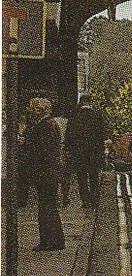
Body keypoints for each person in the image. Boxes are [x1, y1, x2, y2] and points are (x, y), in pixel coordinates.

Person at [22, 98, 65, 251]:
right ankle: (56, 240)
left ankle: (49, 241)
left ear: (37, 111)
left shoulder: (44, 126)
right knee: (49, 206)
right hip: (51, 172)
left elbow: (42, 151)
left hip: (45, 173)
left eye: (32, 110)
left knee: (46, 208)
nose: (30, 112)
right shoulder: (50, 124)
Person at [64, 94, 109, 211]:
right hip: (94, 153)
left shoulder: (74, 116)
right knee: (94, 177)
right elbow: (102, 135)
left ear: (81, 102)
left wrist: (69, 149)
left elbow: (69, 135)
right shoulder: (97, 116)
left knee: (82, 177)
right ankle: (94, 200)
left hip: (79, 153)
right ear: (90, 102)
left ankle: (85, 201)